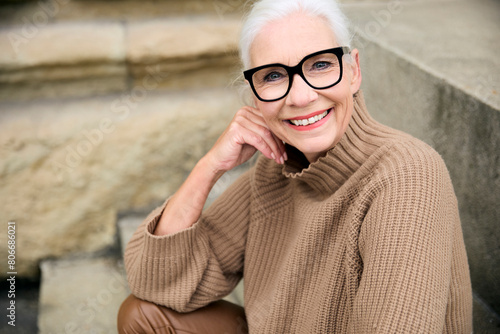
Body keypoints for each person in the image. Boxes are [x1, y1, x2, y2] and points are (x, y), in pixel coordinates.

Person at [117, 0, 473, 332]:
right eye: (273, 76)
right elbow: (154, 282)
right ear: (254, 95)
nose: (300, 97)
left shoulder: (407, 176)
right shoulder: (277, 170)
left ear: (354, 72)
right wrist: (210, 166)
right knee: (141, 316)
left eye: (320, 65)